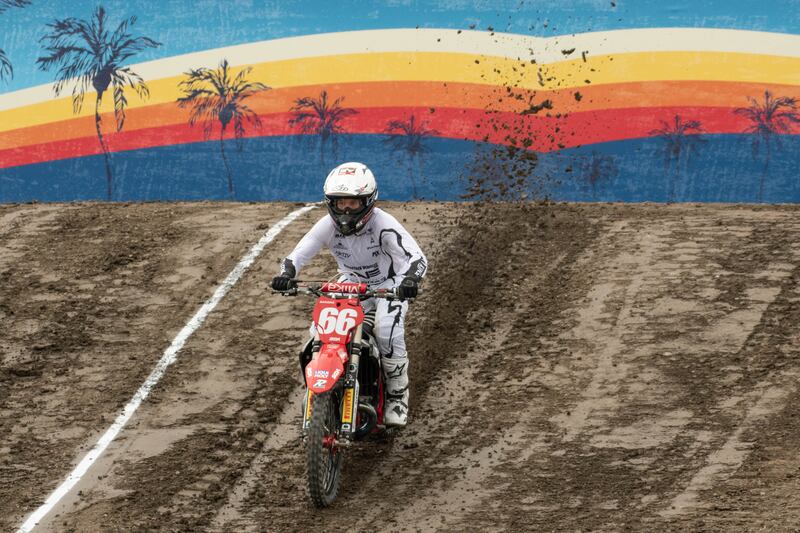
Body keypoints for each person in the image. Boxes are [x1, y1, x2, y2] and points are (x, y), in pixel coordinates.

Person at [272, 162, 428, 427]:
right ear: (330, 203)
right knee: (320, 330)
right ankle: (325, 385)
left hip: (390, 285)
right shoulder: (327, 225)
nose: (345, 210)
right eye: (340, 202)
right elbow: (297, 255)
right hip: (350, 283)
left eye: (353, 203)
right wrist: (286, 274)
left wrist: (411, 280)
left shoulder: (383, 224)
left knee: (386, 329)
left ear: (368, 202)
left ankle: (397, 395)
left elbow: (417, 257)